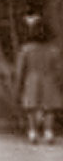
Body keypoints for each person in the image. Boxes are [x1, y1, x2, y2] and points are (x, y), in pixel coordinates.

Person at [15, 15, 62, 144]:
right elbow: (59, 69)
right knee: (49, 108)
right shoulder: (54, 50)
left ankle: (32, 132)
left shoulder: (26, 49)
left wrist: (18, 85)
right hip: (49, 80)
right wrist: (59, 83)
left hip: (31, 79)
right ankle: (48, 132)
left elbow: (20, 70)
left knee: (31, 107)